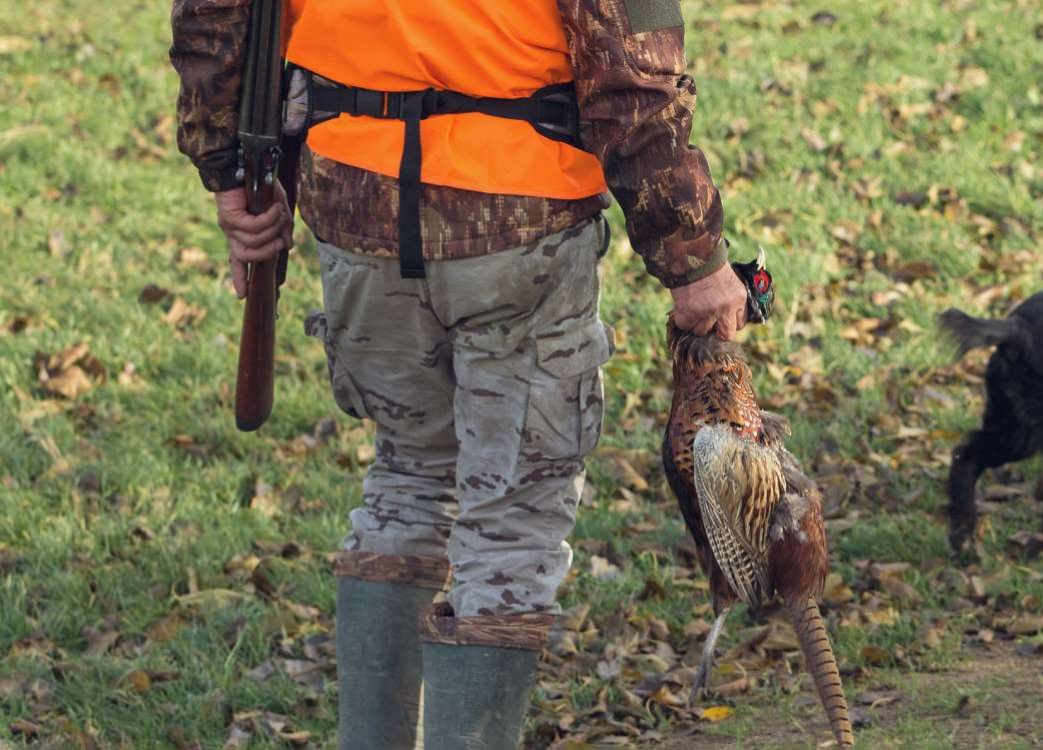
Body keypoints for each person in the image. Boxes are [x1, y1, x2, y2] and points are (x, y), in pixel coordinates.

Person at [169, 1, 748, 746]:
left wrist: (228, 170)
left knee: (406, 478)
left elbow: (213, 19)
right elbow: (632, 76)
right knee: (507, 521)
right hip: (519, 216)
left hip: (355, 201)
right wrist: (690, 256)